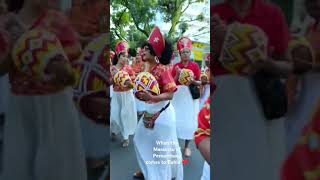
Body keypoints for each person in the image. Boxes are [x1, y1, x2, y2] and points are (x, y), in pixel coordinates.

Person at [0, 0, 86, 179]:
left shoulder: (57, 20)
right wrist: (16, 50)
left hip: (55, 103)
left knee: (59, 164)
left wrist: (47, 55)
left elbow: (76, 56)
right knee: (21, 160)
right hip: (22, 105)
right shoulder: (7, 23)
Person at [212, 0, 290, 179]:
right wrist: (218, 46)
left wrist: (264, 61)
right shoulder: (214, 13)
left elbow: (287, 66)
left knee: (257, 165)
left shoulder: (271, 13)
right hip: (222, 104)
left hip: (260, 101)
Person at [133, 26, 183, 180]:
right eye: (143, 49)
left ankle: (161, 176)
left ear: (154, 53)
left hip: (163, 116)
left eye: (146, 49)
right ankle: (146, 168)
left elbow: (170, 95)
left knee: (160, 150)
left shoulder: (162, 70)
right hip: (149, 113)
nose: (142, 51)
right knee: (139, 139)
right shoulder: (145, 70)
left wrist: (153, 98)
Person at [171, 36, 202, 157]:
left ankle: (187, 146)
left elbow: (200, 82)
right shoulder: (175, 66)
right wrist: (177, 74)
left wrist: (193, 81)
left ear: (190, 52)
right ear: (180, 53)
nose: (185, 54)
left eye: (187, 52)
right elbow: (171, 83)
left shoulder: (194, 66)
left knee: (189, 121)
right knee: (175, 120)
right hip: (177, 96)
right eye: (183, 52)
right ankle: (174, 145)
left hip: (190, 96)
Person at [110, 40, 137, 147]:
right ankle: (114, 130)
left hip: (127, 95)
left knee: (125, 116)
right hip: (117, 95)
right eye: (123, 56)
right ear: (118, 56)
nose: (126, 59)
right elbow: (109, 83)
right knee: (114, 115)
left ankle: (126, 137)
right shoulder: (112, 68)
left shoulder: (129, 69)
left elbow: (133, 85)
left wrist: (125, 79)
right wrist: (116, 76)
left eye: (127, 56)